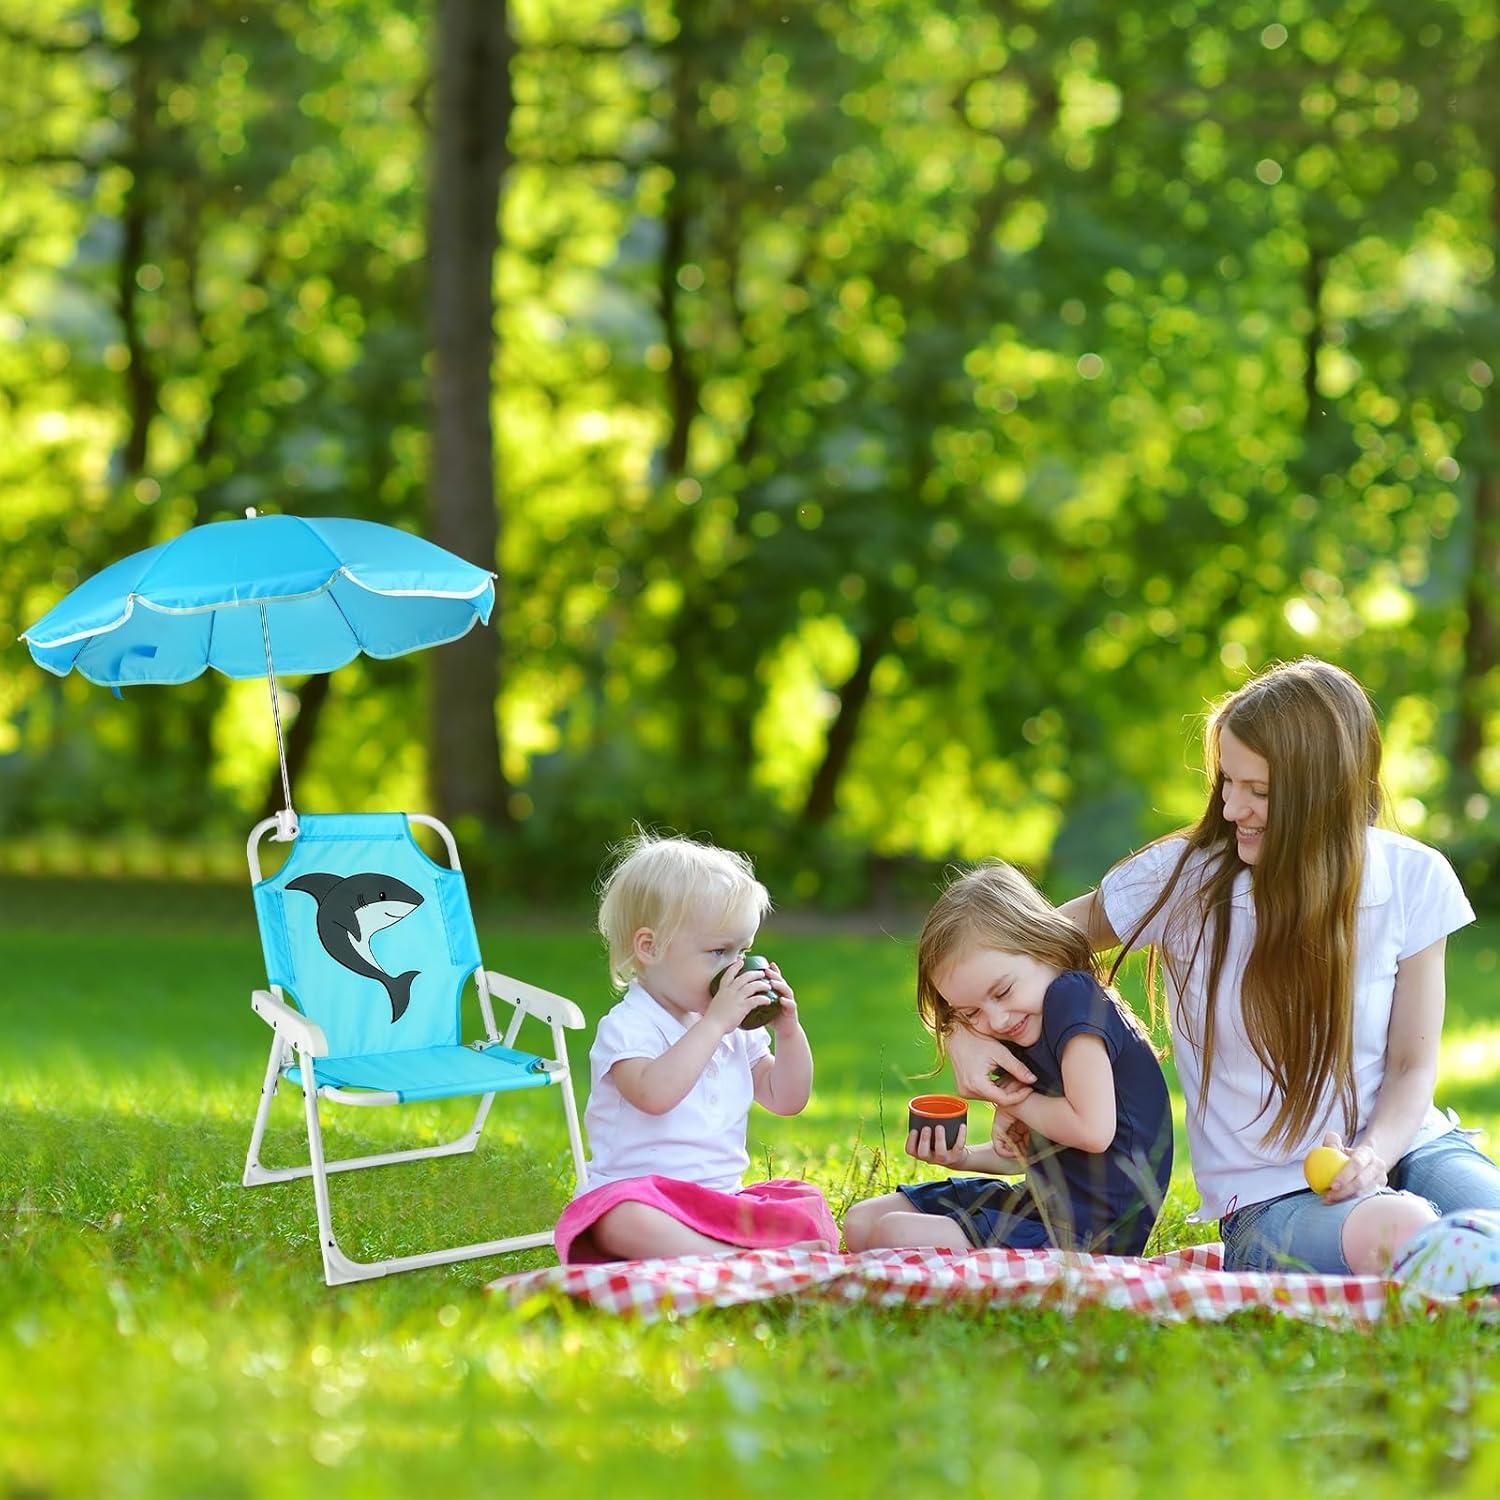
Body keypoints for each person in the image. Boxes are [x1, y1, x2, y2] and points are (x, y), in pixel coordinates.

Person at [945, 657, 1500, 1277]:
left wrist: (1372, 1157)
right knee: (1403, 1228)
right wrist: (960, 1031)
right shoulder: (1183, 880)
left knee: (1486, 1217)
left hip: (1410, 1145)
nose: (1234, 808)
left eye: (1259, 791)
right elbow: (1020, 947)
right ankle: (1443, 1264)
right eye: (1226, 783)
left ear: (1325, 791)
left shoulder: (1413, 878)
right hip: (1272, 1199)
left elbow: (1409, 1066)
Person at [842, 862, 1173, 1256]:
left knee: (893, 1235)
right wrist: (963, 1158)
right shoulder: (1029, 1021)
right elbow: (1035, 1160)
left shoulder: (1072, 997)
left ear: (1045, 947)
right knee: (862, 1223)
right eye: (970, 1013)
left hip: (1089, 1235)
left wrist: (1012, 1098)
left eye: (1002, 992)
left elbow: (1092, 1130)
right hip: (1043, 1206)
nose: (995, 1020)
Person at [553, 830, 837, 1263]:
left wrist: (788, 1032)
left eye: (744, 950)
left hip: (719, 1201)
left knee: (805, 1201)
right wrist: (718, 1023)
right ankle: (735, 1258)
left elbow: (787, 1099)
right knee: (621, 1221)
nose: (736, 967)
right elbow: (654, 1094)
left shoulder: (735, 1026)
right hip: (643, 1199)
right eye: (719, 951)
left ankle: (731, 1248)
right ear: (650, 948)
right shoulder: (629, 1026)